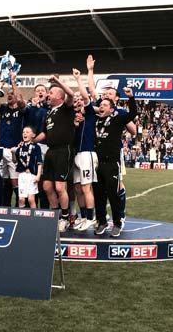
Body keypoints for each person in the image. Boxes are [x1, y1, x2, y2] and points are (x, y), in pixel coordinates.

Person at [94, 87, 137, 237]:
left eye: (105, 105)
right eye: (101, 105)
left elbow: (132, 114)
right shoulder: (96, 120)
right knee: (99, 194)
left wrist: (131, 97)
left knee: (113, 194)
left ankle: (117, 223)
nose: (101, 106)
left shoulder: (118, 119)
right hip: (98, 163)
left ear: (112, 109)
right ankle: (101, 222)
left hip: (112, 163)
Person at [37, 75, 75, 232]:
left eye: (51, 93)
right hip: (51, 151)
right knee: (46, 186)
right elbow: (44, 134)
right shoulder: (48, 113)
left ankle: (65, 218)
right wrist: (30, 140)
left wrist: (57, 82)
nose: (48, 95)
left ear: (59, 96)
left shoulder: (66, 108)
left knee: (60, 187)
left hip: (63, 150)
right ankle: (55, 216)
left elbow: (71, 95)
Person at [70, 68, 98, 231]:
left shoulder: (89, 113)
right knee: (78, 188)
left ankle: (91, 217)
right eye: (76, 99)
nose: (79, 101)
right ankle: (84, 217)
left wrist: (78, 80)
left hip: (87, 153)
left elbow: (87, 97)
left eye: (80, 98)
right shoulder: (73, 118)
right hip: (76, 154)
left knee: (86, 187)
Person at [0, 72, 25, 206]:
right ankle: (5, 208)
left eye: (12, 93)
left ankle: (19, 208)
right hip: (1, 149)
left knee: (16, 182)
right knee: (3, 182)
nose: (9, 95)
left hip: (15, 150)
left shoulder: (21, 110)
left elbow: (20, 100)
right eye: (7, 93)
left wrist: (13, 81)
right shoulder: (2, 108)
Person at [13, 125, 43, 208]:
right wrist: (13, 152)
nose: (24, 134)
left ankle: (34, 218)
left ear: (33, 135)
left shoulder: (36, 147)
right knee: (21, 199)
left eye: (27, 132)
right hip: (22, 175)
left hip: (32, 175)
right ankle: (21, 218)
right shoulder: (19, 148)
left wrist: (38, 175)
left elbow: (39, 162)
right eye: (23, 132)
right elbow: (15, 161)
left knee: (31, 199)